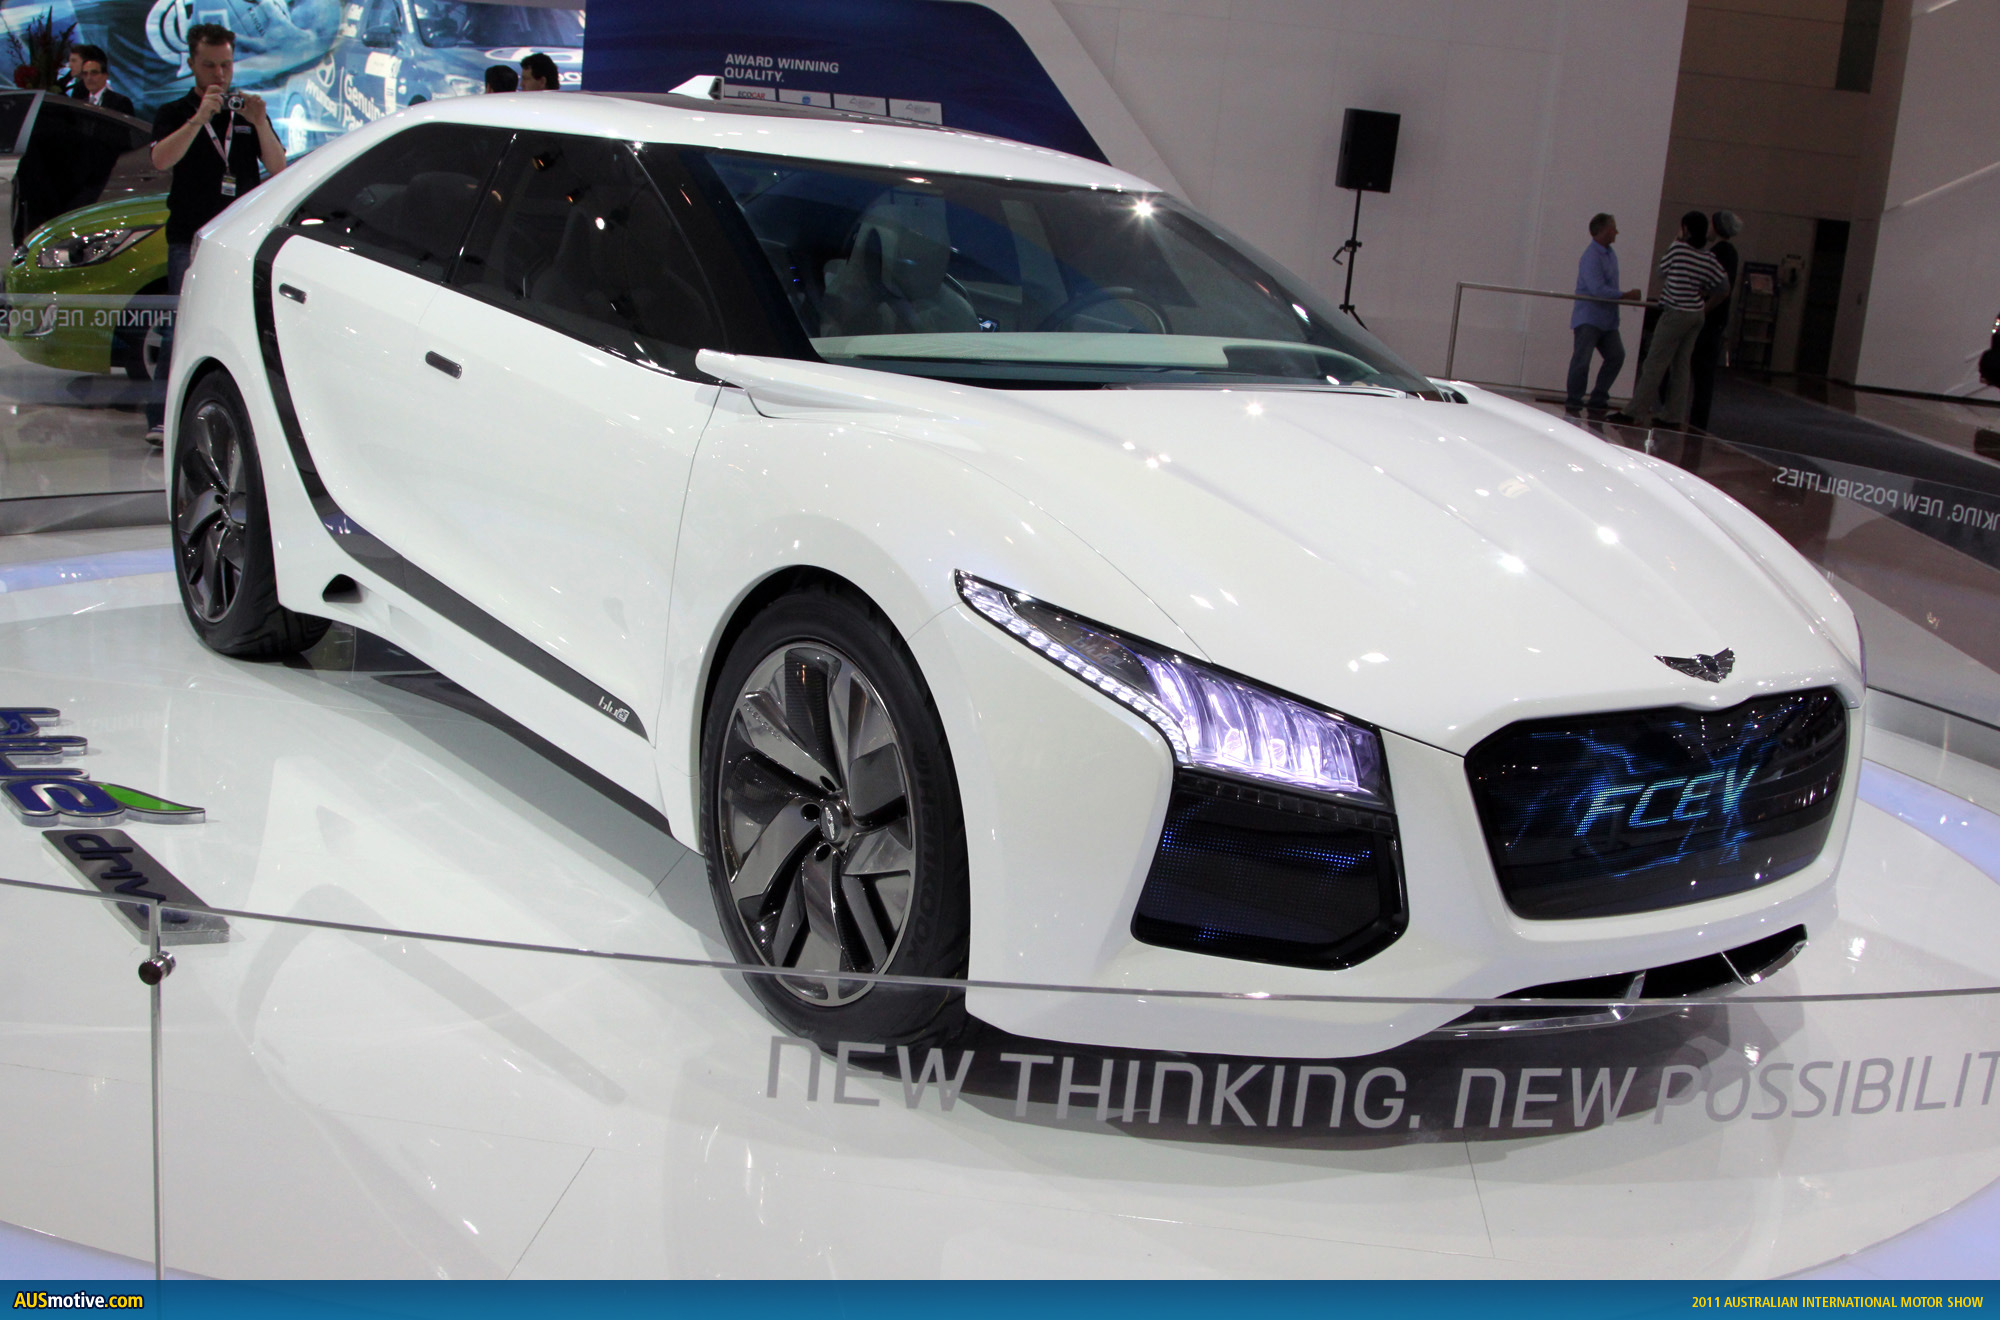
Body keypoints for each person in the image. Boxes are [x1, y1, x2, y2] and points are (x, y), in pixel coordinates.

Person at [143, 23, 286, 445]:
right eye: (209, 66)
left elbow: (278, 168)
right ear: (191, 63)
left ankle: (225, 418)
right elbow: (161, 160)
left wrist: (259, 123)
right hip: (189, 237)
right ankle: (161, 416)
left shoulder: (246, 112)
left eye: (226, 65)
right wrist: (199, 119)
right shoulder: (175, 112)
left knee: (235, 329)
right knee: (178, 326)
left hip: (239, 241)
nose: (219, 75)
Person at [1618, 211, 1728, 432]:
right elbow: (1724, 287)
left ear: (1686, 229)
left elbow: (1661, 270)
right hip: (1695, 315)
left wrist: (1677, 239)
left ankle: (1635, 411)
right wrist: (1704, 298)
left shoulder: (1679, 249)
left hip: (1675, 312)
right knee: (1681, 366)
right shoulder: (1708, 258)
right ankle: (1673, 415)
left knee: (1654, 362)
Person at [1565, 213, 1641, 415]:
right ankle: (1574, 400)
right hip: (1589, 318)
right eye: (1613, 228)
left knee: (1616, 356)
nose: (1616, 232)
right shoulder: (1591, 256)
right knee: (1582, 361)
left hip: (1606, 320)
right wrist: (1624, 295)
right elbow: (1596, 289)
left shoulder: (1610, 254)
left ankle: (1598, 397)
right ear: (1602, 230)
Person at [1687, 210, 1742, 432]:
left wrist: (1703, 308)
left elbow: (1719, 289)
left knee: (1702, 373)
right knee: (1703, 374)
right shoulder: (1729, 253)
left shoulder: (1720, 253)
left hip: (1710, 322)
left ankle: (1697, 422)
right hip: (1715, 320)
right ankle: (1697, 421)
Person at [69, 46, 134, 115]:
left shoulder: (119, 102)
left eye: (74, 61)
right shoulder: (80, 92)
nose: (70, 65)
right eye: (85, 73)